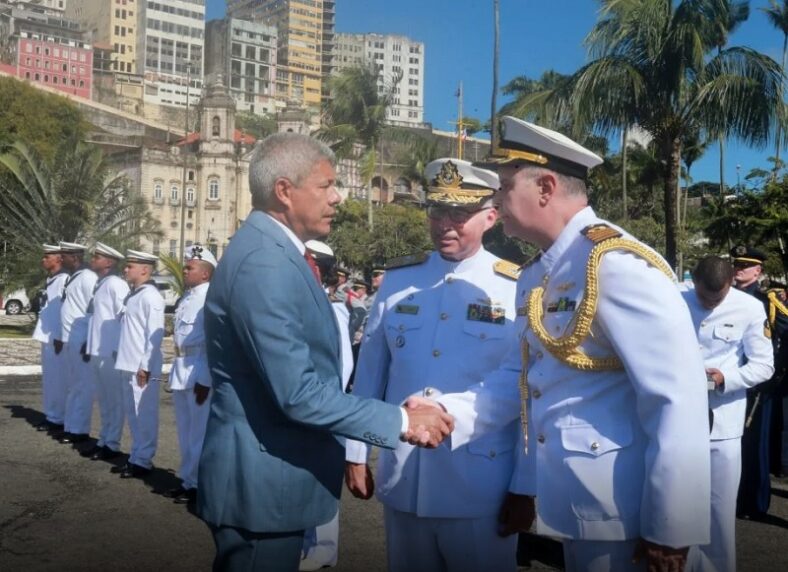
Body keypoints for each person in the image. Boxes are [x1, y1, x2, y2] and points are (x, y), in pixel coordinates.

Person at [421, 117, 711, 571]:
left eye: (503, 185)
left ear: (546, 187)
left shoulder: (614, 265)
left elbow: (677, 396)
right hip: (578, 503)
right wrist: (447, 413)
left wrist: (670, 526)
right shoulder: (538, 273)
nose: (495, 199)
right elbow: (522, 377)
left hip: (628, 514)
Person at [196, 132, 454, 572]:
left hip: (272, 478)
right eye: (326, 185)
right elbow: (298, 393)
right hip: (263, 486)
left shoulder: (277, 252)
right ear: (284, 191)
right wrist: (402, 420)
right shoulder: (265, 262)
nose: (338, 198)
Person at [345, 158, 521, 572]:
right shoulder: (399, 280)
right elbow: (371, 373)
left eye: (460, 213)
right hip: (404, 474)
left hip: (480, 482)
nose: (446, 223)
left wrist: (524, 485)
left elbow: (525, 391)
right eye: (438, 211)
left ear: (490, 217)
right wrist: (356, 452)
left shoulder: (514, 286)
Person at [682, 256, 773, 572]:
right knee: (678, 507)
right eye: (703, 297)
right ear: (693, 282)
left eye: (716, 298)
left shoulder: (750, 309)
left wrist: (726, 378)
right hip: (678, 420)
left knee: (718, 512)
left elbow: (764, 365)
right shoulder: (676, 300)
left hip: (723, 422)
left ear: (731, 283)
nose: (708, 305)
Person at [299, 240, 353, 571]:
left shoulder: (332, 309)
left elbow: (342, 365)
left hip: (322, 406)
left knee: (320, 476)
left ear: (316, 266)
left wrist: (322, 405)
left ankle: (324, 548)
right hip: (303, 406)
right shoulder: (304, 303)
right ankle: (307, 542)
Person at [731, 245, 788, 518]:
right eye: (736, 264)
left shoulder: (769, 301)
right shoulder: (723, 296)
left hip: (758, 385)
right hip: (728, 381)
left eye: (745, 265)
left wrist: (777, 373)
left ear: (758, 270)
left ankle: (754, 502)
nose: (739, 269)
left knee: (755, 445)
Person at [166, 244, 216, 505]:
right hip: (182, 366)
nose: (184, 271)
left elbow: (212, 340)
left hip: (198, 369)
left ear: (205, 273)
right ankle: (188, 480)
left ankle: (199, 485)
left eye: (189, 267)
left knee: (199, 433)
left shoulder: (209, 298)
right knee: (186, 432)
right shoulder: (187, 297)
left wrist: (206, 378)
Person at [112, 250, 165, 479]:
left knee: (144, 413)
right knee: (133, 414)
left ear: (144, 269)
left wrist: (145, 365)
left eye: (130, 265)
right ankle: (136, 456)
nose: (125, 269)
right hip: (128, 362)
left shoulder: (150, 296)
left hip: (140, 366)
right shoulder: (135, 295)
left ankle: (143, 460)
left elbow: (154, 334)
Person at [82, 243, 130, 461]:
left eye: (97, 256)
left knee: (113, 399)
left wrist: (118, 349)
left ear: (109, 262)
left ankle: (112, 444)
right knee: (103, 399)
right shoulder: (102, 283)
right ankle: (103, 439)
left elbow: (124, 317)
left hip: (110, 351)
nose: (93, 258)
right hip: (98, 349)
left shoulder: (116, 284)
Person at [56, 241, 98, 445]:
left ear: (75, 257)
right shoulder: (75, 276)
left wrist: (90, 340)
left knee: (83, 386)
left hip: (82, 338)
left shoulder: (88, 277)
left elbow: (94, 310)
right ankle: (71, 427)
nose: (60, 258)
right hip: (72, 338)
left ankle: (80, 430)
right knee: (74, 385)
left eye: (64, 255)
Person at [32, 244, 69, 434]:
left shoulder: (64, 280)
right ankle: (51, 415)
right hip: (47, 336)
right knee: (50, 380)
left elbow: (65, 310)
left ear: (59, 259)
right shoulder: (52, 279)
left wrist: (61, 335)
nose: (43, 260)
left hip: (56, 337)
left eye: (48, 256)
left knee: (58, 380)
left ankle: (58, 418)